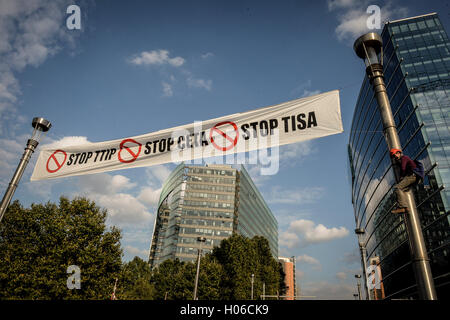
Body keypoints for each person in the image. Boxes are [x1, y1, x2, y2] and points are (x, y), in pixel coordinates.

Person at [390, 148, 419, 214]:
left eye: (395, 156)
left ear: (398, 153)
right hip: (413, 177)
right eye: (393, 157)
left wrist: (401, 177)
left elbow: (403, 168)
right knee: (402, 189)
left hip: (412, 176)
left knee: (397, 188)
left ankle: (403, 208)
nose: (395, 158)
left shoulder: (404, 158)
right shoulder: (401, 160)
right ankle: (403, 207)